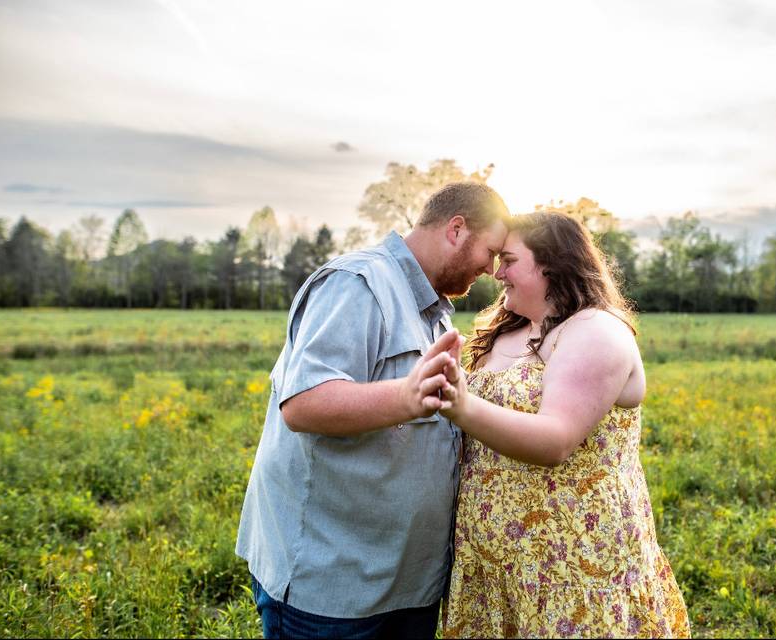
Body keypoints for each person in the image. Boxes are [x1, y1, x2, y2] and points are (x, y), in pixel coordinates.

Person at [235, 182, 509, 639]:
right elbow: (304, 403)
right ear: (456, 229)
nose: (492, 268)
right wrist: (405, 396)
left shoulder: (435, 312)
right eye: (491, 251)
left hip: (405, 585)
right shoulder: (358, 283)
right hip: (333, 589)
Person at [432, 211, 691, 638]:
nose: (498, 273)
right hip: (497, 567)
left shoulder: (594, 329)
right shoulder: (505, 331)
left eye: (510, 260)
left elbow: (557, 440)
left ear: (552, 264)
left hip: (571, 565)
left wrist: (461, 405)